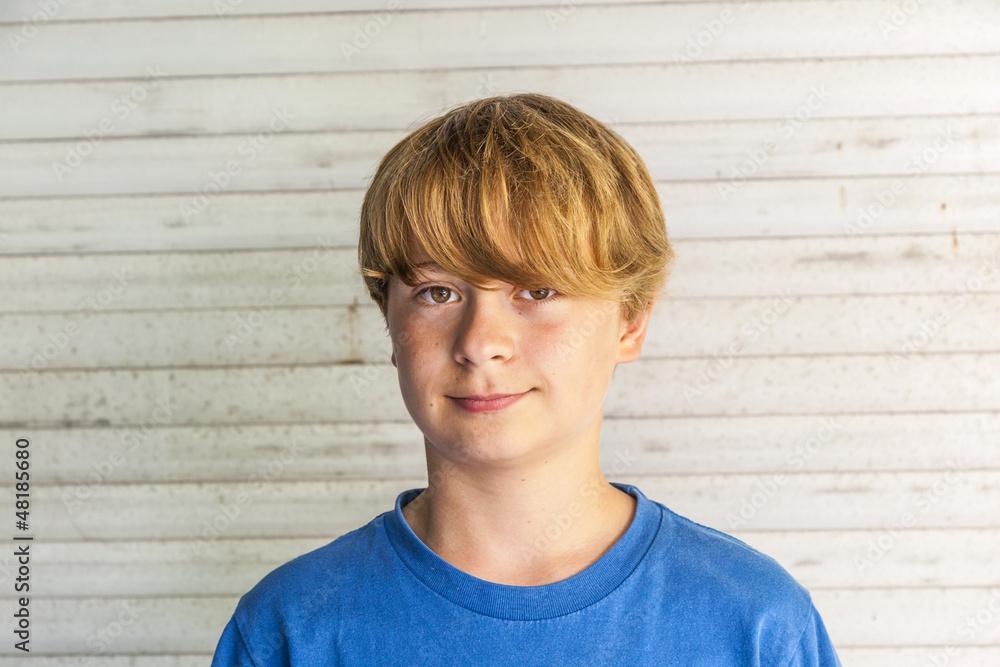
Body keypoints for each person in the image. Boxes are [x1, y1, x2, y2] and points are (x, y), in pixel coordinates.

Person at [210, 92, 842, 666]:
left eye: (537, 289)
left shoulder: (755, 625)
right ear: (391, 326)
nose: (481, 343)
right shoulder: (289, 630)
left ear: (630, 321)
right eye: (437, 292)